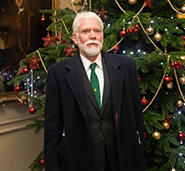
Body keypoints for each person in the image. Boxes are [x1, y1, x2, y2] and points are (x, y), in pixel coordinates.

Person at [44, 11, 145, 171]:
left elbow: (136, 117)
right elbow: (52, 129)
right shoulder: (58, 73)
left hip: (121, 160)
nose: (93, 36)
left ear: (102, 35)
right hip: (80, 161)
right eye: (85, 32)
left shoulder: (126, 67)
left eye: (97, 31)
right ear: (75, 38)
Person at [0, 0, 38, 92]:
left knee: (14, 81)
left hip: (27, 59)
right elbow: (13, 36)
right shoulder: (17, 16)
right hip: (18, 57)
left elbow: (32, 44)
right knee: (1, 76)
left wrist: (24, 62)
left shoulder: (30, 17)